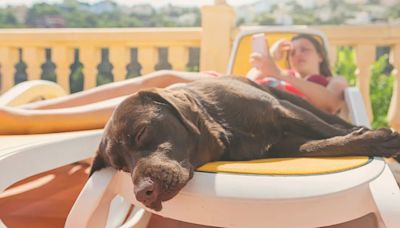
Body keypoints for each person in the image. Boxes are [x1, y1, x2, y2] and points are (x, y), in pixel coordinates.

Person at [0, 34, 347, 135]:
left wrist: (279, 72)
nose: (298, 53)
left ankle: (30, 123)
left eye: (306, 49)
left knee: (169, 95)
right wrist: (270, 63)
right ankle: (29, 109)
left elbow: (330, 106)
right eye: (294, 49)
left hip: (251, 101)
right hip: (238, 86)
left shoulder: (332, 81)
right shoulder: (275, 71)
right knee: (162, 78)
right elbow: (250, 83)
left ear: (321, 56)